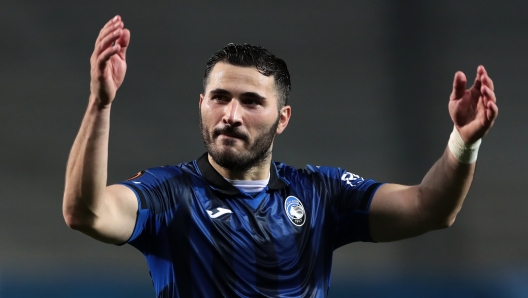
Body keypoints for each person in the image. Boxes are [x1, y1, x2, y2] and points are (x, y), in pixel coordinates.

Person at [63, 15, 498, 298]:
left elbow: (430, 207)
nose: (230, 114)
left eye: (251, 101)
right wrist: (100, 104)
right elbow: (86, 212)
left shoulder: (318, 193)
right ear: (201, 104)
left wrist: (463, 141)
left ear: (282, 118)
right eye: (219, 98)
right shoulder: (169, 194)